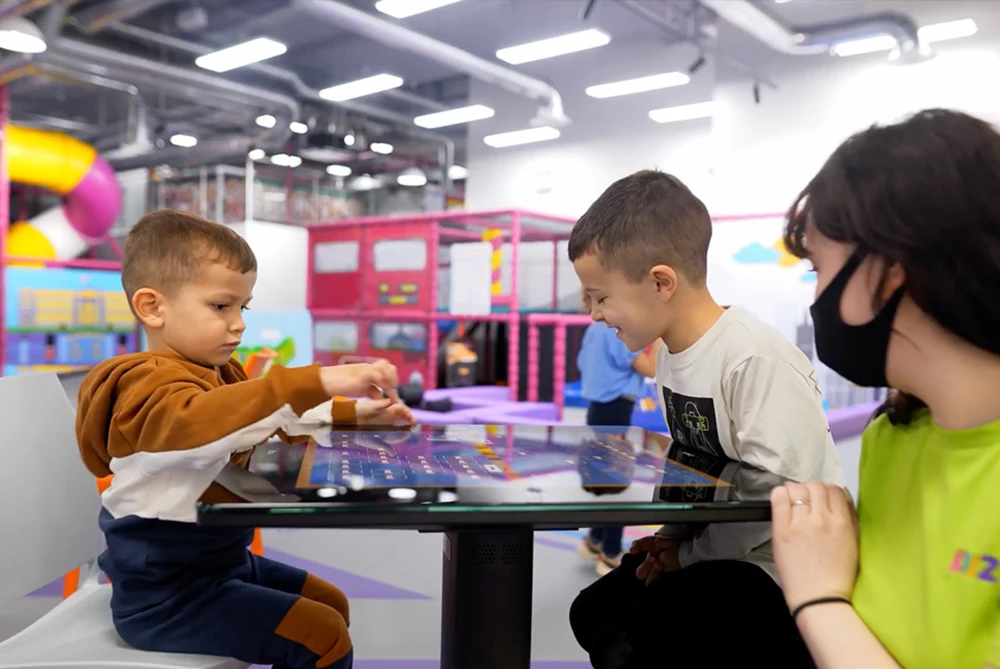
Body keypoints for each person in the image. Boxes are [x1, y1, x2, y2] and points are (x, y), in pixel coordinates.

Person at [75, 210, 413, 669]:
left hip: (221, 563)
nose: (238, 324)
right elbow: (199, 423)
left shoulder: (215, 374)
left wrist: (359, 414)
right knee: (323, 636)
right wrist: (314, 380)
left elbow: (267, 419)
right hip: (166, 595)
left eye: (243, 307)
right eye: (220, 306)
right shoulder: (146, 384)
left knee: (330, 601)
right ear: (153, 307)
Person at [566, 170, 843, 667]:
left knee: (643, 636)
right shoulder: (671, 354)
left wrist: (687, 558)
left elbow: (772, 494)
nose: (595, 314)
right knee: (592, 611)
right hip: (716, 544)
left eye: (602, 297)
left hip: (779, 562)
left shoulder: (752, 357)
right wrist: (668, 540)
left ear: (660, 282)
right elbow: (690, 460)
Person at [770, 108, 1000, 669]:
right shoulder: (890, 437)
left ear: (890, 269)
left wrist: (818, 599)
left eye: (818, 269)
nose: (817, 296)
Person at [576, 291, 658, 575]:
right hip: (614, 409)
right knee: (615, 482)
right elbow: (649, 367)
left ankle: (595, 539)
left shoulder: (593, 330)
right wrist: (660, 335)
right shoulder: (617, 334)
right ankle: (610, 552)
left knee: (601, 479)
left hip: (597, 409)